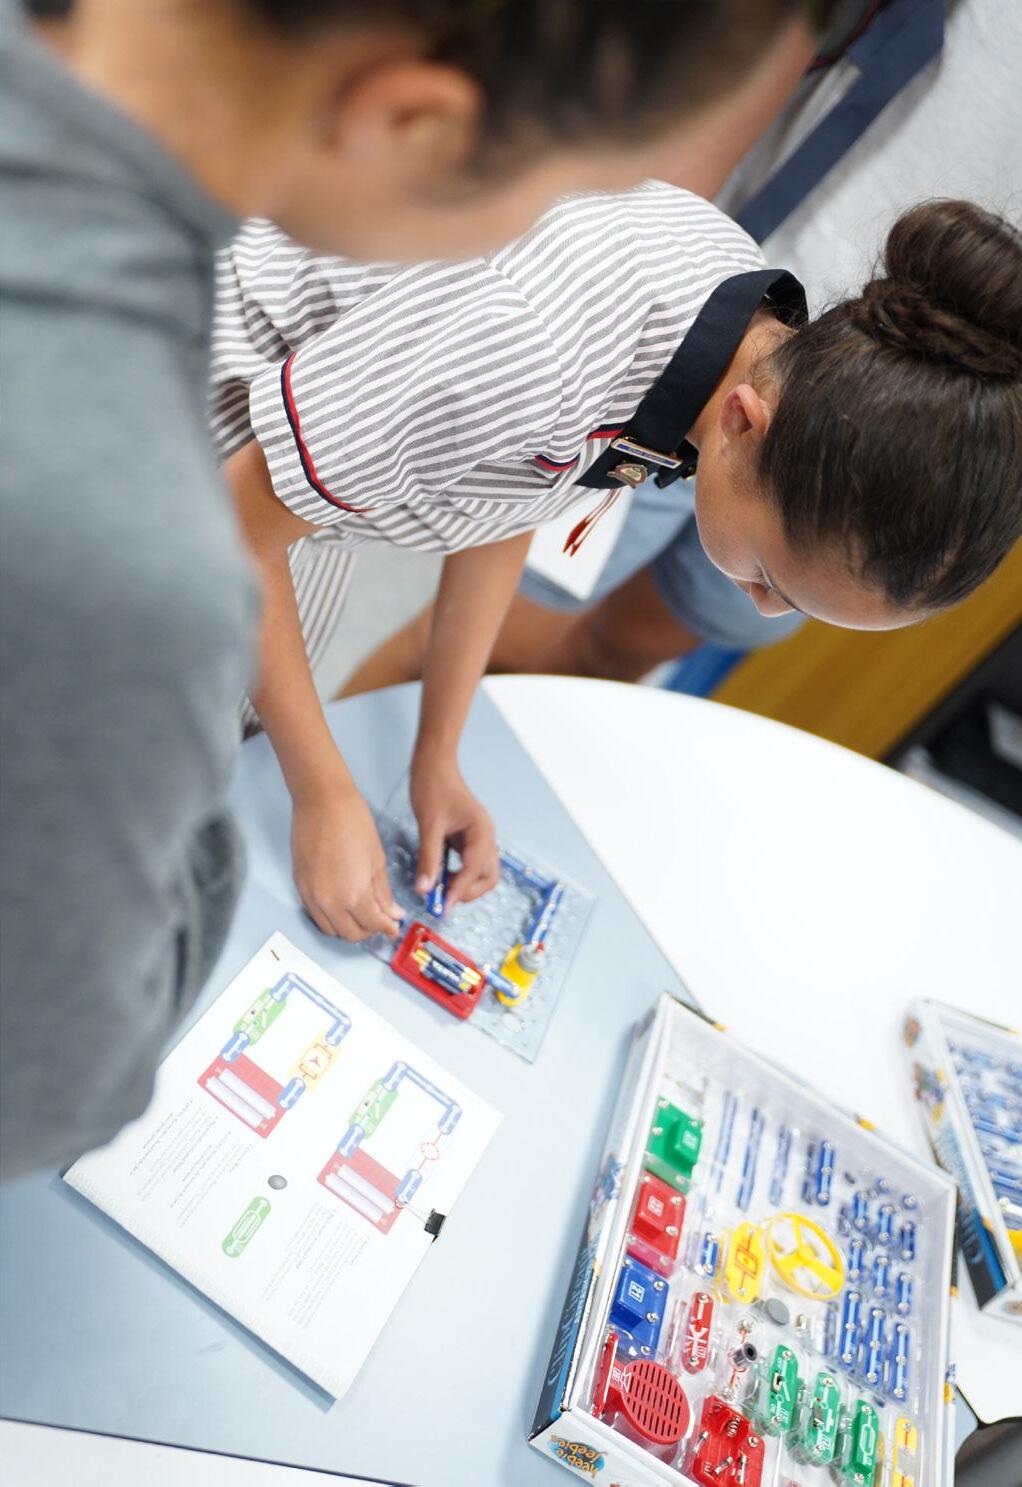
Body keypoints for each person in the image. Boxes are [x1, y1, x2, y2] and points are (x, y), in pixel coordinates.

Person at [0, 0, 832, 1179]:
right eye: (545, 196)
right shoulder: (152, 558)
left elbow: (504, 487)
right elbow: (55, 1085)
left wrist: (432, 749)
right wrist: (269, 813)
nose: (537, 246)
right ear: (419, 124)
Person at [215, 188, 1022, 949]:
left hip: (289, 500)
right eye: (772, 579)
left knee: (238, 747)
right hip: (206, 434)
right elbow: (230, 524)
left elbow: (508, 498)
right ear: (746, 424)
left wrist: (437, 752)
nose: (765, 608)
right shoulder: (539, 349)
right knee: (197, 767)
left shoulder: (737, 342)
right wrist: (323, 793)